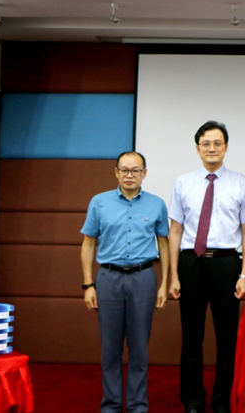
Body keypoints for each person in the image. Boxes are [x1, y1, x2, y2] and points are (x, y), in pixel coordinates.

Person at [168, 120, 245, 413]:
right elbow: (175, 230)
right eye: (206, 143)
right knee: (192, 337)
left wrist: (244, 273)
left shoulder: (242, 183)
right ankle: (193, 402)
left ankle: (221, 403)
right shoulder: (183, 182)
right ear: (197, 148)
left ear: (226, 147)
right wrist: (173, 275)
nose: (212, 148)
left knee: (227, 339)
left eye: (217, 143)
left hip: (227, 264)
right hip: (191, 263)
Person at [80, 151, 170, 413]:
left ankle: (137, 406)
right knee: (110, 349)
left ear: (144, 173)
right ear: (116, 172)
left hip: (143, 279)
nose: (130, 175)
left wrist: (164, 284)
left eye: (135, 170)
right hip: (108, 279)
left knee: (139, 349)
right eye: (125, 170)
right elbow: (88, 244)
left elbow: (164, 244)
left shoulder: (157, 204)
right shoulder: (99, 202)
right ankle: (110, 406)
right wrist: (88, 285)